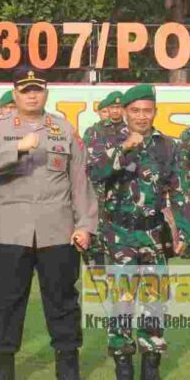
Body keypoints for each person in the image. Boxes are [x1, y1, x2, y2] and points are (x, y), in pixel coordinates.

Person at [0, 67, 97, 380]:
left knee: (62, 300)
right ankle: (2, 372)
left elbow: (79, 182)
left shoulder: (63, 128)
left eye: (37, 89)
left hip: (56, 231)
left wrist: (85, 225)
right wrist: (17, 149)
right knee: (7, 302)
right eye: (25, 89)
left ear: (46, 92)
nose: (32, 95)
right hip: (10, 230)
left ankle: (68, 370)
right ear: (15, 93)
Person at [87, 83, 190, 380]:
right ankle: (123, 373)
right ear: (125, 112)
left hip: (153, 235)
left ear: (155, 112)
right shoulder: (106, 140)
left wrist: (183, 231)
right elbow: (94, 174)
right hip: (118, 236)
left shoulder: (167, 146)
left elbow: (180, 190)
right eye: (136, 110)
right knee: (120, 305)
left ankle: (151, 373)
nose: (142, 117)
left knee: (155, 305)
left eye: (148, 110)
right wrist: (124, 150)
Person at [82, 90, 125, 266]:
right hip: (98, 193)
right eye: (112, 107)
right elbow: (90, 163)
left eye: (120, 107)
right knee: (97, 240)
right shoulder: (94, 131)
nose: (116, 111)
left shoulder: (131, 130)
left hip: (124, 194)